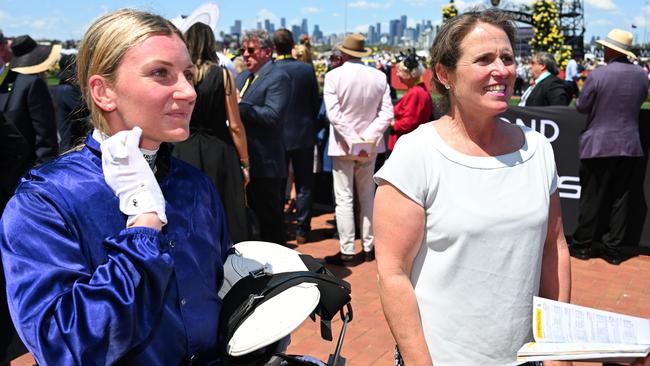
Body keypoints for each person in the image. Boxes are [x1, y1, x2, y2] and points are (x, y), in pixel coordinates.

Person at [0, 9, 231, 364]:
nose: (188, 91)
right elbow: (61, 346)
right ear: (104, 91)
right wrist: (143, 232)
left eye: (187, 74)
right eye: (161, 73)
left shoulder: (195, 185)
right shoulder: (44, 201)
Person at [374, 9, 571, 365]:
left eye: (507, 58)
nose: (502, 70)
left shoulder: (538, 149)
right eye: (484, 59)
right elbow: (392, 274)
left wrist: (555, 346)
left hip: (526, 357)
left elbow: (553, 248)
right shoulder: (417, 154)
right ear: (444, 74)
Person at [569, 28, 649, 265]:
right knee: (621, 198)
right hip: (630, 144)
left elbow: (582, 107)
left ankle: (583, 245)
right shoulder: (641, 75)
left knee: (592, 198)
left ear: (611, 50)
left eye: (605, 48)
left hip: (599, 145)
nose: (603, 51)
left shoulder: (598, 75)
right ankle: (613, 249)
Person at [173, 22, 250, 244]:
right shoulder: (223, 75)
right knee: (226, 210)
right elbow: (235, 125)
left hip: (183, 150)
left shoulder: (181, 77)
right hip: (219, 150)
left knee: (188, 212)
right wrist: (245, 162)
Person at [323, 34, 393, 265]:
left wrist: (354, 139)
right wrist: (366, 138)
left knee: (344, 198)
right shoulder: (379, 77)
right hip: (370, 146)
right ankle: (368, 247)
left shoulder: (333, 76)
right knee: (367, 196)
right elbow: (386, 115)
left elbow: (334, 115)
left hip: (344, 145)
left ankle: (348, 251)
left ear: (343, 53)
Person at [236, 29, 290, 245]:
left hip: (266, 162)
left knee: (271, 224)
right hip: (244, 161)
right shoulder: (241, 77)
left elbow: (272, 116)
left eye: (251, 50)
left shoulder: (279, 77)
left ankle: (283, 274)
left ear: (267, 52)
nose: (245, 55)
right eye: (243, 50)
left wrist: (240, 105)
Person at [273, 28, 320, 244]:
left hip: (277, 136)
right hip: (303, 134)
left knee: (278, 183)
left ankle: (280, 227)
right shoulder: (306, 70)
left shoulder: (270, 70)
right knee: (304, 185)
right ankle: (302, 230)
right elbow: (314, 104)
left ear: (274, 47)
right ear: (292, 45)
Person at [1, 34, 59, 168]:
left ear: (2, 49)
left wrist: (37, 183)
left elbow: (46, 144)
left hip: (18, 182)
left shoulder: (29, 85)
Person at [387, 50, 433, 152]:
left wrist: (392, 123)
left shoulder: (416, 93)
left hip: (405, 146)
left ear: (410, 74)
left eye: (400, 71)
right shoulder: (418, 91)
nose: (397, 74)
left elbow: (408, 123)